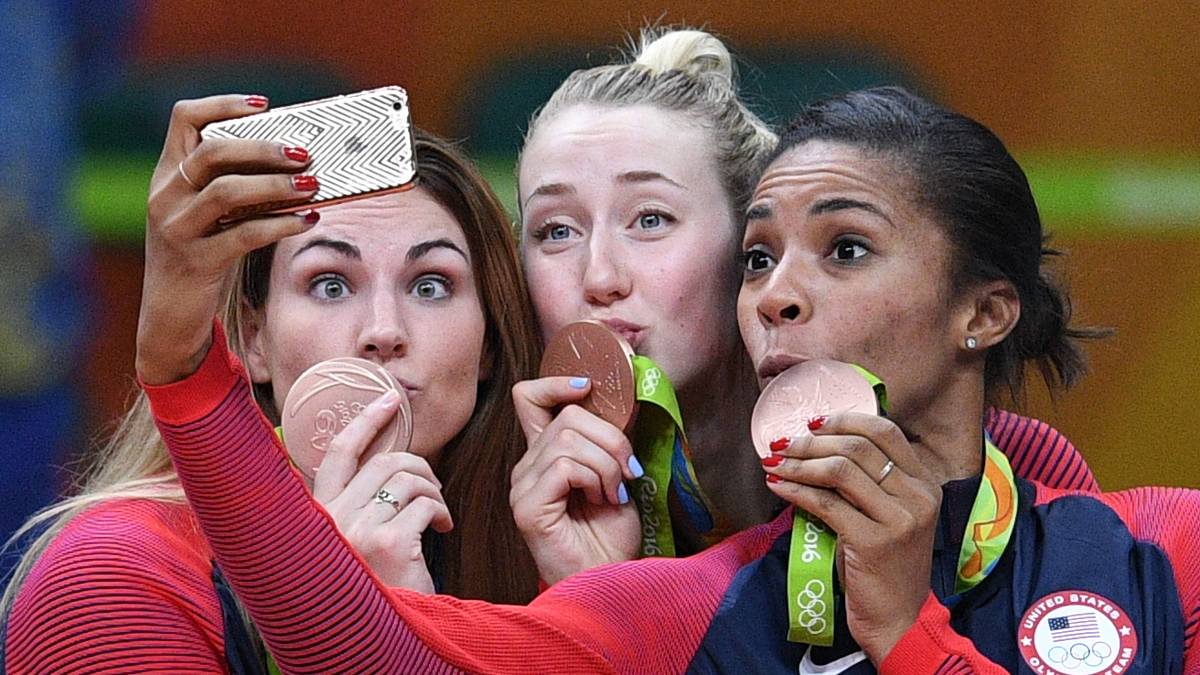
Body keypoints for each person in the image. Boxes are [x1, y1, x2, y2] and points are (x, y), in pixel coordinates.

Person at [130, 85, 1197, 673]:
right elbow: (371, 661)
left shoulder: (1159, 550)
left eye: (847, 249)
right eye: (762, 259)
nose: (778, 294)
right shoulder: (676, 605)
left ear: (986, 311)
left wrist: (906, 635)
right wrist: (180, 365)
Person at [510, 28, 1096, 584]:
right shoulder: (500, 496)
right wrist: (586, 596)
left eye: (651, 219)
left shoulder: (1009, 469)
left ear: (747, 248)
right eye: (555, 231)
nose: (599, 276)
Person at [2, 95, 542, 673]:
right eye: (331, 284)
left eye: (430, 285)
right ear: (254, 339)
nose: (383, 332)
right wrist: (352, 628)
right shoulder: (112, 578)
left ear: (488, 341)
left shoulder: (545, 545)